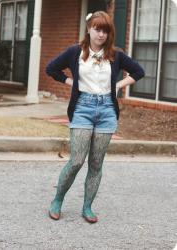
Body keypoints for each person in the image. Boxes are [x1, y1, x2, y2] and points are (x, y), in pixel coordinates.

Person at [46, 11, 145, 223]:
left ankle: (87, 207)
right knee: (76, 161)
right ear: (89, 29)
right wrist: (70, 82)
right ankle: (57, 200)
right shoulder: (75, 52)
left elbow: (138, 71)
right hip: (83, 108)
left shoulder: (116, 55)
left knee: (96, 163)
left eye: (106, 31)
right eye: (97, 29)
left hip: (107, 110)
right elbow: (51, 69)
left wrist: (117, 85)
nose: (101, 34)